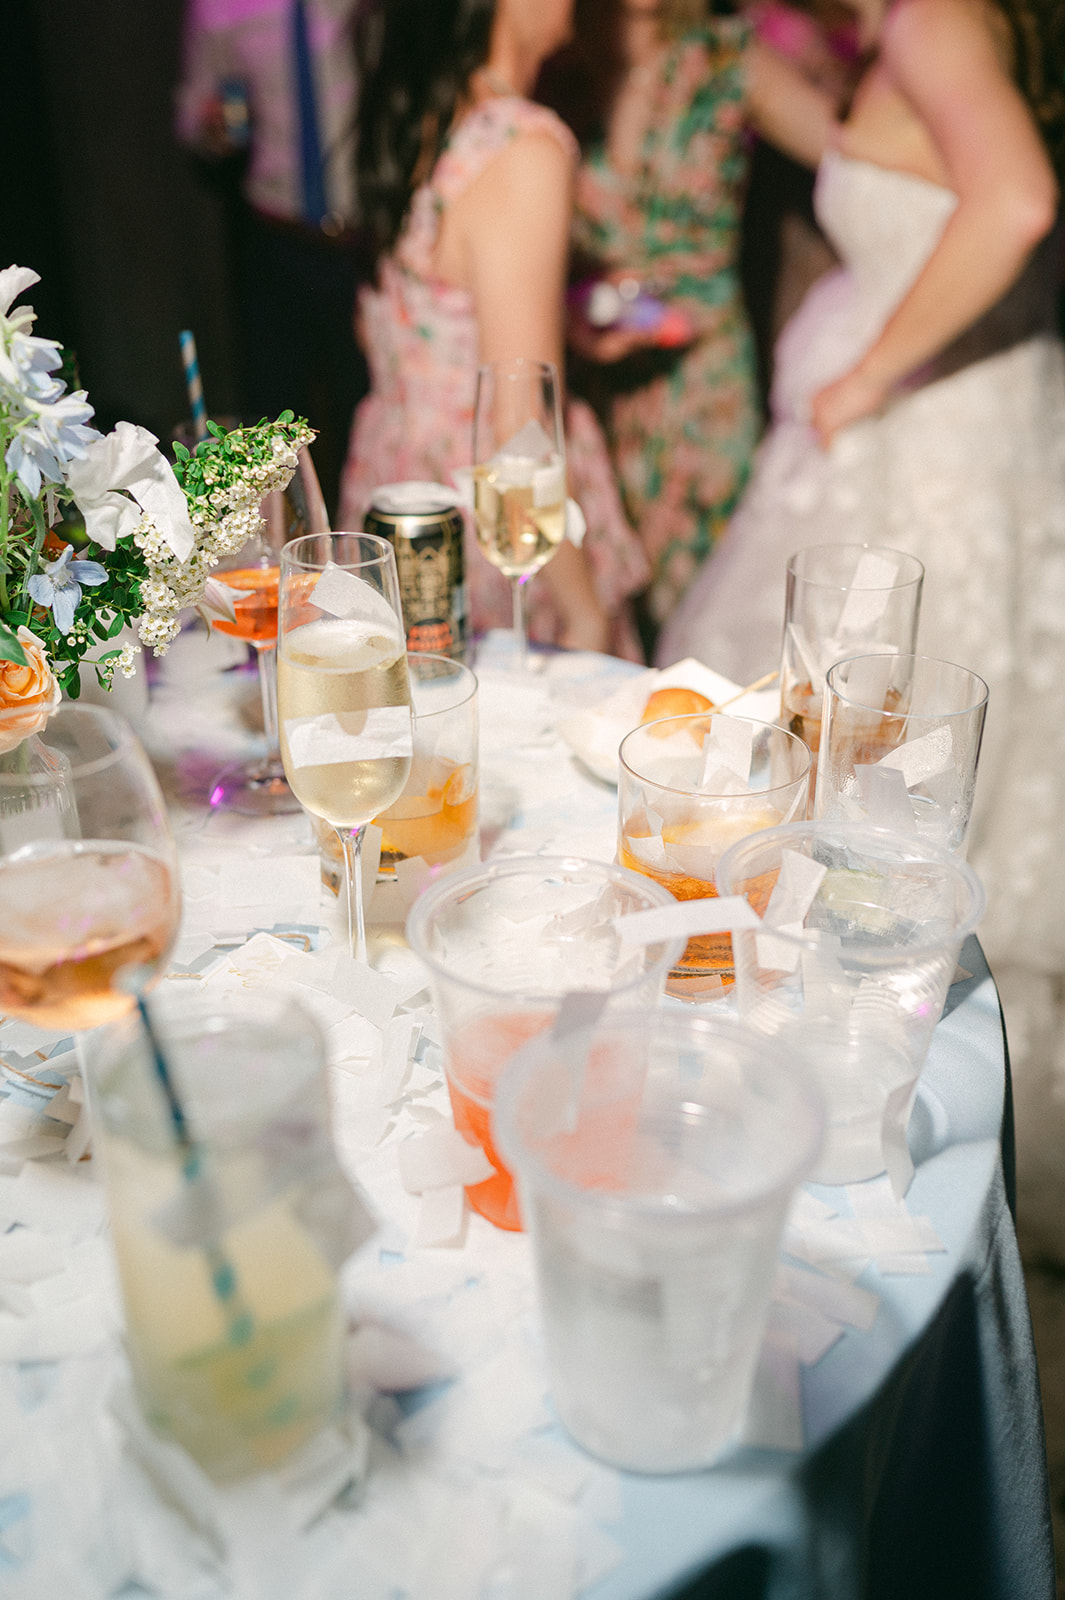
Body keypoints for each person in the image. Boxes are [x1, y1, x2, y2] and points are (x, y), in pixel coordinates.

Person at [656, 0, 1065, 1224]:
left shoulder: (940, 17)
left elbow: (1018, 202)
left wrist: (869, 373)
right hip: (944, 428)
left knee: (874, 765)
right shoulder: (936, 26)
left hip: (920, 443)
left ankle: (851, 1090)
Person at [337, 0, 651, 656]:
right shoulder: (521, 146)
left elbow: (403, 319)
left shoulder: (422, 110)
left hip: (396, 481)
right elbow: (514, 425)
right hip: (485, 508)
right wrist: (582, 611)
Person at [550, 0, 842, 656]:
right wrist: (564, 309)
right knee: (604, 605)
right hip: (591, 391)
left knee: (706, 613)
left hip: (702, 384)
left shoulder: (728, 57)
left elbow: (862, 167)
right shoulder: (559, 59)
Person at [175, 0, 366, 518]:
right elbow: (193, 111)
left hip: (366, 238)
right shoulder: (218, 8)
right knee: (273, 427)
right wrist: (208, 126)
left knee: (368, 420)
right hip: (273, 236)